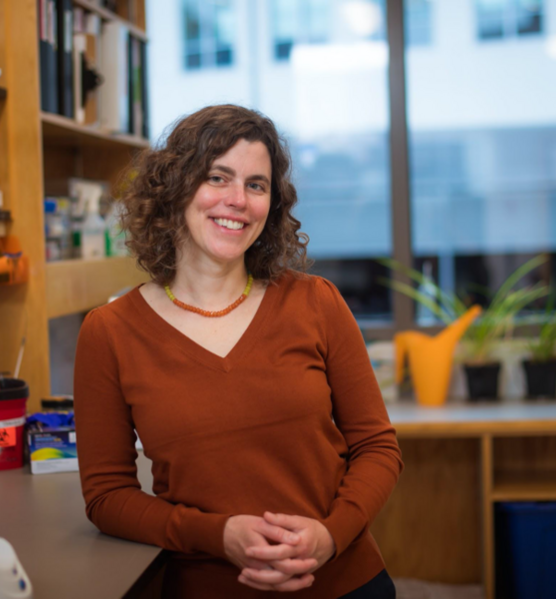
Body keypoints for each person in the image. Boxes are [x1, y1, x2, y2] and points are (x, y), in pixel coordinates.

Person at [74, 104, 403, 598]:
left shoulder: (316, 301)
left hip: (343, 582)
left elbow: (378, 447)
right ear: (175, 187)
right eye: (217, 177)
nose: (237, 200)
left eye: (256, 185)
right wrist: (218, 535)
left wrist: (331, 536)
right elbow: (107, 497)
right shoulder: (110, 332)